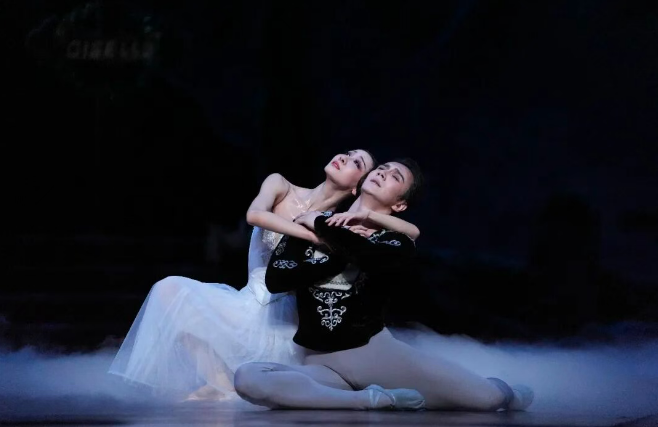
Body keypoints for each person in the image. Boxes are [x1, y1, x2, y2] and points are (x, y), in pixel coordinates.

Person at [108, 150, 421, 401]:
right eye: (348, 153)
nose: (345, 157)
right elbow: (255, 215)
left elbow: (412, 232)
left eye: (357, 163)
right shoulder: (282, 186)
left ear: (356, 186)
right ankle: (220, 384)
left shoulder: (336, 222)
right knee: (170, 291)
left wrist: (347, 222)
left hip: (288, 319)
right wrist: (314, 233)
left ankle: (228, 389)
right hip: (250, 301)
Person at [234, 159, 534, 411]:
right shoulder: (311, 223)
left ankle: (506, 392)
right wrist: (323, 231)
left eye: (395, 177)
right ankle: (371, 400)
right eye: (382, 168)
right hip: (320, 362)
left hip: (375, 355)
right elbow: (278, 280)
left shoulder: (394, 241)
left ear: (400, 204)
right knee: (248, 378)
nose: (382, 173)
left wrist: (323, 228)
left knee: (490, 399)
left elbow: (368, 256)